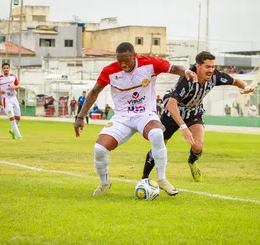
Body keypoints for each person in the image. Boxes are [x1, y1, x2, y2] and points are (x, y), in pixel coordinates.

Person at [74, 42, 197, 196]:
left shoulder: (150, 63)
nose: (123, 64)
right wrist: (80, 116)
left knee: (157, 134)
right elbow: (94, 92)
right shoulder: (109, 71)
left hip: (145, 114)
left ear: (135, 56)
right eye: (120, 61)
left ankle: (162, 179)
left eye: (127, 60)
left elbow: (173, 68)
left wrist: (186, 71)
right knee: (99, 149)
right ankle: (104, 183)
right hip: (121, 117)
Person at [141, 51, 255, 181]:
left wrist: (246, 86)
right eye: (207, 67)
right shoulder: (187, 78)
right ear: (198, 66)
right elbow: (171, 105)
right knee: (159, 145)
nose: (211, 70)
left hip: (194, 112)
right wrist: (184, 127)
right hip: (172, 113)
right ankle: (144, 178)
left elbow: (235, 81)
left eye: (212, 67)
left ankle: (191, 162)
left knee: (197, 147)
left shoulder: (215, 76)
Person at [0, 63, 22, 140]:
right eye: (4, 68)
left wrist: (15, 87)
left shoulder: (13, 76)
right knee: (12, 118)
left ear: (9, 69)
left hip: (14, 98)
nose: (6, 69)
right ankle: (19, 136)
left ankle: (12, 131)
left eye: (7, 68)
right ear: (2, 69)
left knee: (18, 118)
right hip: (6, 99)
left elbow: (17, 85)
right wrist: (0, 91)